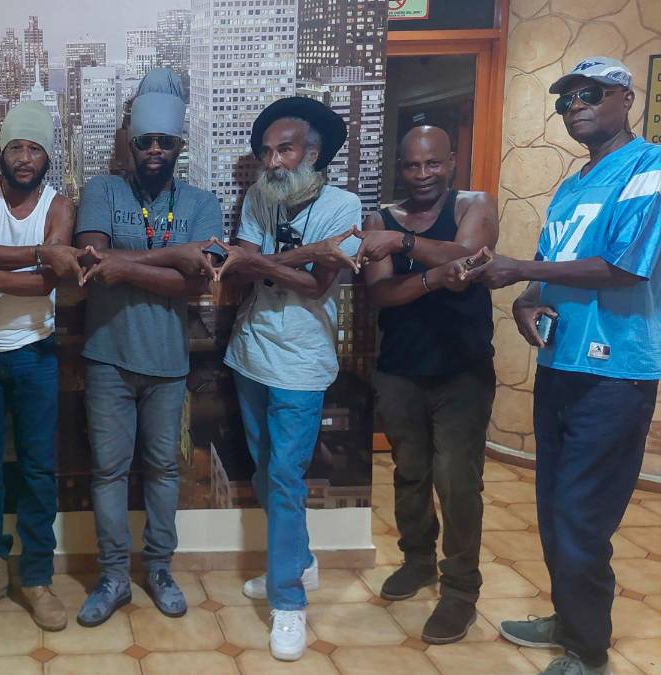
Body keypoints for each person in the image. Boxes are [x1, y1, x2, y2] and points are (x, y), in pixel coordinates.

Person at [460, 57, 661, 675]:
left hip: (616, 372)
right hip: (561, 364)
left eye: (589, 93)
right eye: (565, 99)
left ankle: (587, 651)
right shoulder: (574, 185)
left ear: (625, 98)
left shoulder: (649, 170)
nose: (575, 106)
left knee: (582, 516)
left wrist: (521, 269)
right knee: (552, 507)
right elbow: (553, 265)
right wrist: (527, 297)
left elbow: (624, 267)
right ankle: (569, 618)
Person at [73, 68, 223, 628]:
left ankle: (159, 569)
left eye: (165, 141)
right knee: (108, 471)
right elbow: (93, 264)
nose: (154, 151)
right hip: (107, 358)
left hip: (168, 362)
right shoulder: (101, 191)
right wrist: (172, 258)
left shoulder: (203, 203)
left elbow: (197, 282)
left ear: (180, 145)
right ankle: (113, 576)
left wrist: (128, 264)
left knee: (163, 470)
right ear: (130, 144)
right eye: (145, 142)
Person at [213, 96, 361, 661]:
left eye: (286, 150)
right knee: (263, 470)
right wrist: (306, 255)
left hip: (302, 362)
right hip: (250, 353)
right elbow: (240, 265)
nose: (273, 161)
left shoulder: (344, 205)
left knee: (285, 479)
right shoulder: (259, 196)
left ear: (313, 154)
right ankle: (298, 561)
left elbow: (317, 285)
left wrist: (266, 261)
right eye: (267, 152)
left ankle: (288, 601)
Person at [356, 125, 498, 645]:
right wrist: (434, 277)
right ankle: (418, 561)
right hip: (400, 369)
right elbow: (380, 293)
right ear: (400, 166)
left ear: (451, 162)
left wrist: (405, 245)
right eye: (412, 165)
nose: (422, 175)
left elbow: (473, 257)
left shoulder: (473, 205)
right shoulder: (379, 218)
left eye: (432, 163)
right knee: (410, 473)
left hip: (463, 372)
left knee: (457, 481)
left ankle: (460, 591)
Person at [0, 101, 80, 631]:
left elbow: (48, 282)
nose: (25, 158)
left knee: (38, 468)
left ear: (47, 155)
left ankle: (37, 576)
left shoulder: (59, 205)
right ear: (2, 151)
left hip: (34, 349)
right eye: (16, 147)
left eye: (34, 149)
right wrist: (39, 254)